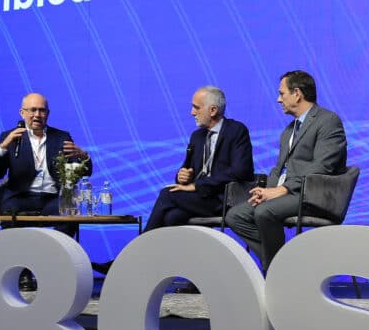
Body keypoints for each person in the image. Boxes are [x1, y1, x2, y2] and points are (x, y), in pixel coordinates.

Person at [91, 86, 254, 287]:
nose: (191, 113)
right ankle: (170, 275)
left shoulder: (236, 131)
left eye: (196, 107)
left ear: (212, 110)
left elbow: (241, 171)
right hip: (200, 198)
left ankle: (127, 259)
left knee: (167, 195)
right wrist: (182, 176)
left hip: (224, 199)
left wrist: (196, 186)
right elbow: (187, 170)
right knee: (171, 217)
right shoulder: (197, 136)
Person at [225, 70, 347, 273]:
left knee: (265, 212)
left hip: (314, 195)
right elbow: (279, 168)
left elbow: (322, 166)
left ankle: (274, 270)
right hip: (288, 193)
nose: (278, 99)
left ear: (297, 93)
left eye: (282, 94)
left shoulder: (328, 121)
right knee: (235, 215)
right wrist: (265, 191)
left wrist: (281, 191)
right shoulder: (289, 130)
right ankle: (281, 265)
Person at [0, 92, 91, 290]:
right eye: (32, 110)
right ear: (22, 112)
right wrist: (2, 148)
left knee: (68, 214)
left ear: (48, 113)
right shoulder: (10, 137)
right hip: (20, 197)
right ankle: (22, 272)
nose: (37, 114)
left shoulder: (61, 137)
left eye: (41, 110)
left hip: (51, 198)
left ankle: (55, 271)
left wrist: (83, 156)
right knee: (9, 215)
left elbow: (83, 172)